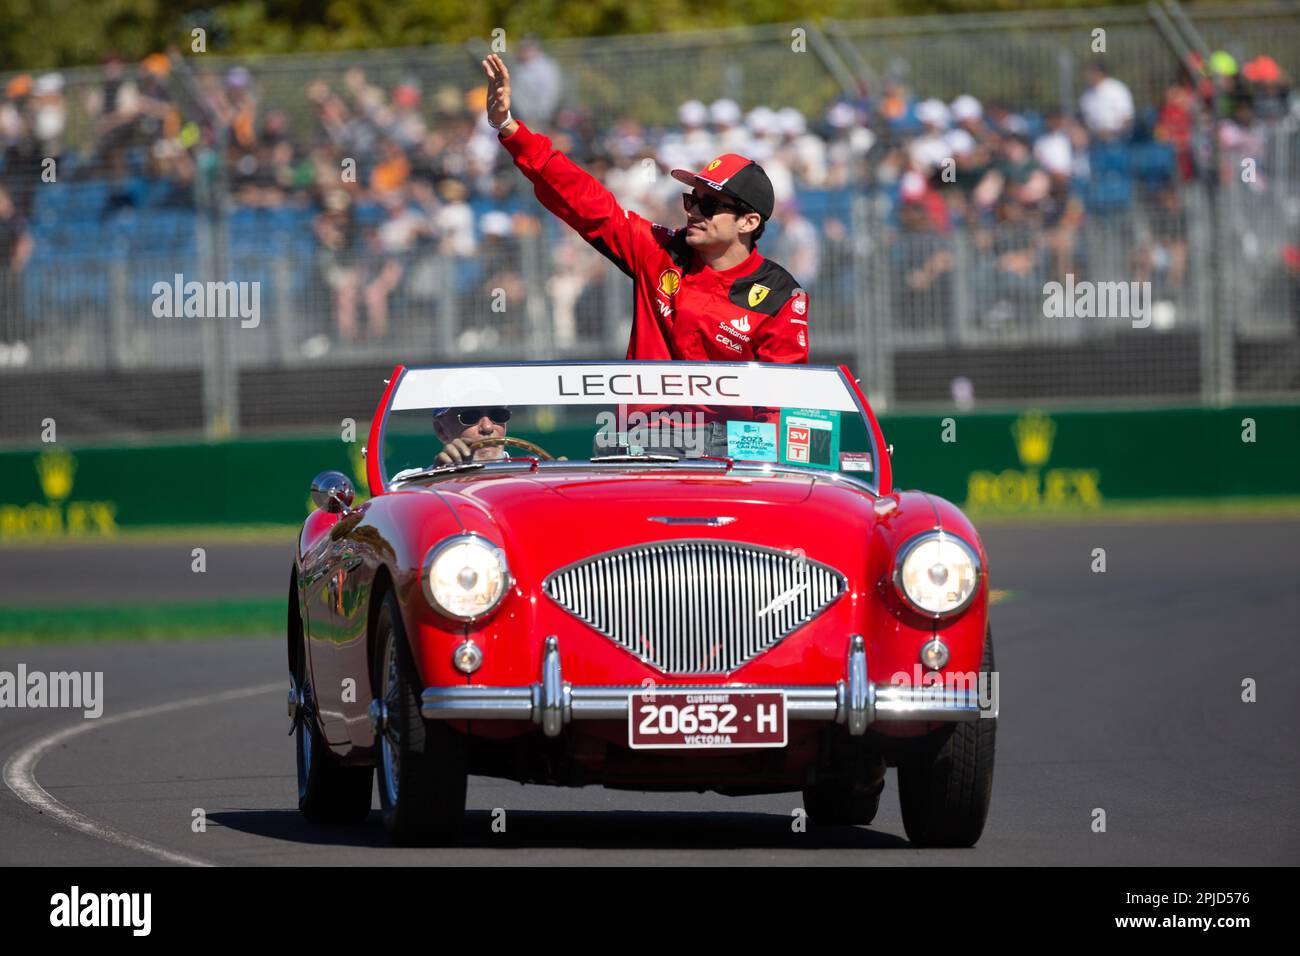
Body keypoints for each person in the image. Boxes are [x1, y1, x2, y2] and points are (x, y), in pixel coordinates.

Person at [480, 54, 809, 366]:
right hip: (648, 426)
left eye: (708, 205)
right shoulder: (659, 252)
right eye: (690, 200)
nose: (693, 211)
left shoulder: (780, 294)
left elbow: (787, 399)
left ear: (749, 222)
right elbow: (584, 198)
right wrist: (509, 127)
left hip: (733, 428)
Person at [432, 406, 511, 464]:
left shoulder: (522, 476)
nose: (487, 427)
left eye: (498, 414)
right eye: (470, 416)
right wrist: (439, 476)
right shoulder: (422, 484)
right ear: (441, 429)